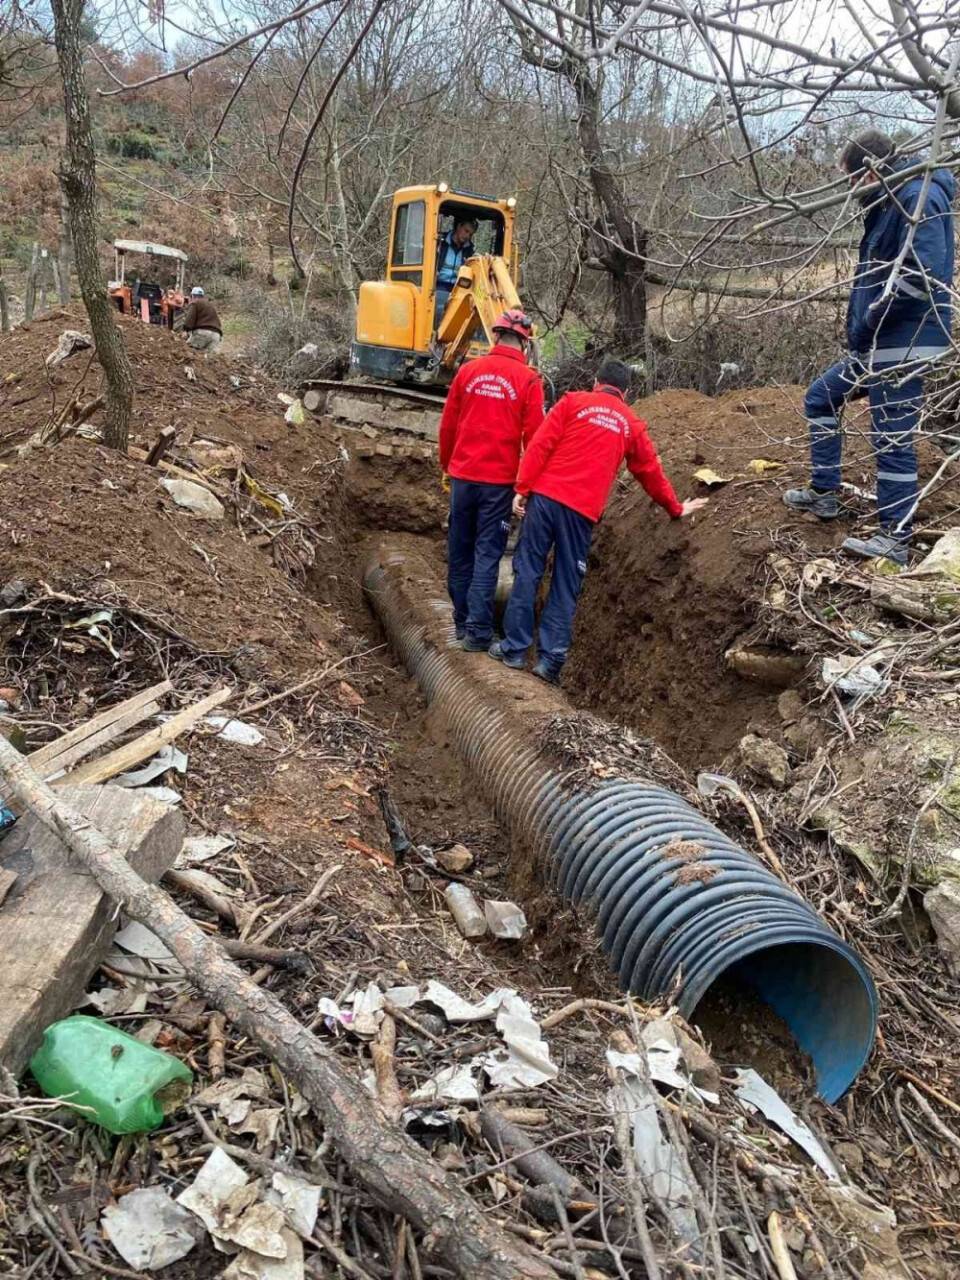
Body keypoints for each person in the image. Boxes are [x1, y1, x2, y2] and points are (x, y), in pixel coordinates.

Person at [783, 129, 955, 565]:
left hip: (905, 341)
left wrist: (870, 317)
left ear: (871, 170)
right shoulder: (889, 202)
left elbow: (921, 277)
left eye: (852, 179)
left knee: (891, 435)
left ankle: (895, 539)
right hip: (880, 343)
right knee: (822, 397)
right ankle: (824, 493)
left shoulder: (916, 198)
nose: (849, 189)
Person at [491, 359, 707, 684]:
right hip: (580, 513)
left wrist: (522, 488)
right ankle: (550, 662)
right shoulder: (630, 424)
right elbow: (649, 472)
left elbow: (540, 445)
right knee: (566, 583)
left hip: (546, 500)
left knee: (528, 571)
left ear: (596, 381)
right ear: (627, 392)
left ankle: (514, 650)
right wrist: (674, 508)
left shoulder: (572, 403)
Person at [438, 309, 545, 650]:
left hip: (463, 479)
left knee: (460, 551)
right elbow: (536, 439)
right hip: (498, 484)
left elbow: (448, 426)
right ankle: (478, 633)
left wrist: (448, 467)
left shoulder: (468, 371)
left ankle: (460, 622)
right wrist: (526, 487)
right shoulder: (528, 381)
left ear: (495, 336)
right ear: (525, 343)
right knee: (487, 554)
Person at [434, 218, 478, 331]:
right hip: (438, 283)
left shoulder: (470, 251)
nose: (467, 236)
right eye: (466, 231)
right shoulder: (439, 242)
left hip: (458, 287)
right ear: (458, 226)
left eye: (470, 234)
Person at [178, 287, 223, 354]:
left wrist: (186, 330)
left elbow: (190, 318)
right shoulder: (210, 305)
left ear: (192, 296)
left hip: (202, 333)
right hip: (216, 335)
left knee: (190, 353)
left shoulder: (195, 303)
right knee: (209, 359)